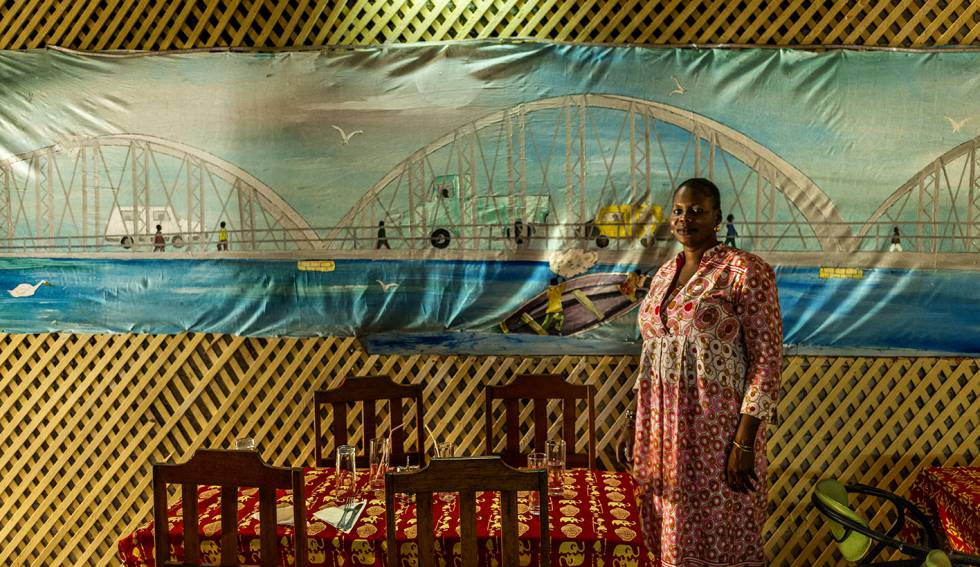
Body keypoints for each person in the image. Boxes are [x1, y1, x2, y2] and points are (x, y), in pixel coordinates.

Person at [616, 178, 782, 567]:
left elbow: (767, 361)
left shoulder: (744, 270)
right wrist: (631, 420)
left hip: (717, 436)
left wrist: (743, 443)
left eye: (696, 211)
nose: (684, 218)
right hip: (659, 437)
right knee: (665, 535)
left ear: (717, 218)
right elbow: (651, 357)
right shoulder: (662, 275)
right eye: (677, 210)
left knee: (719, 533)